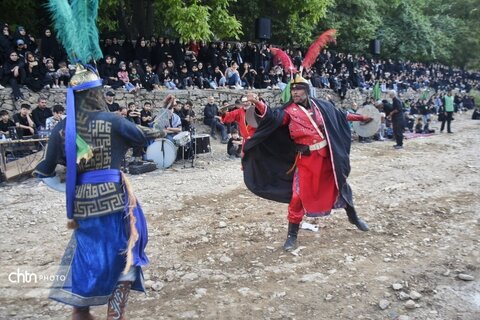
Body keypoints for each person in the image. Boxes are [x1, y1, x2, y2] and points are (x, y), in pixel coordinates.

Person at [33, 65, 164, 319]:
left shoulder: (62, 128)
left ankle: (80, 311)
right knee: (125, 253)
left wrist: (70, 186)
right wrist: (164, 114)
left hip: (82, 203)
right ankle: (115, 313)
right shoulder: (112, 121)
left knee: (86, 256)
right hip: (114, 199)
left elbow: (44, 171)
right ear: (96, 93)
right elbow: (146, 135)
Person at [242, 75, 370, 252]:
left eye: (299, 89)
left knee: (341, 186)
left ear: (307, 90)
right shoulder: (288, 112)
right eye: (293, 90)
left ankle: (353, 217)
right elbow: (272, 117)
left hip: (327, 158)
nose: (295, 93)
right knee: (297, 197)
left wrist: (362, 118)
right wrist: (257, 102)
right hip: (305, 161)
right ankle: (292, 236)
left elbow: (341, 116)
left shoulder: (322, 106)